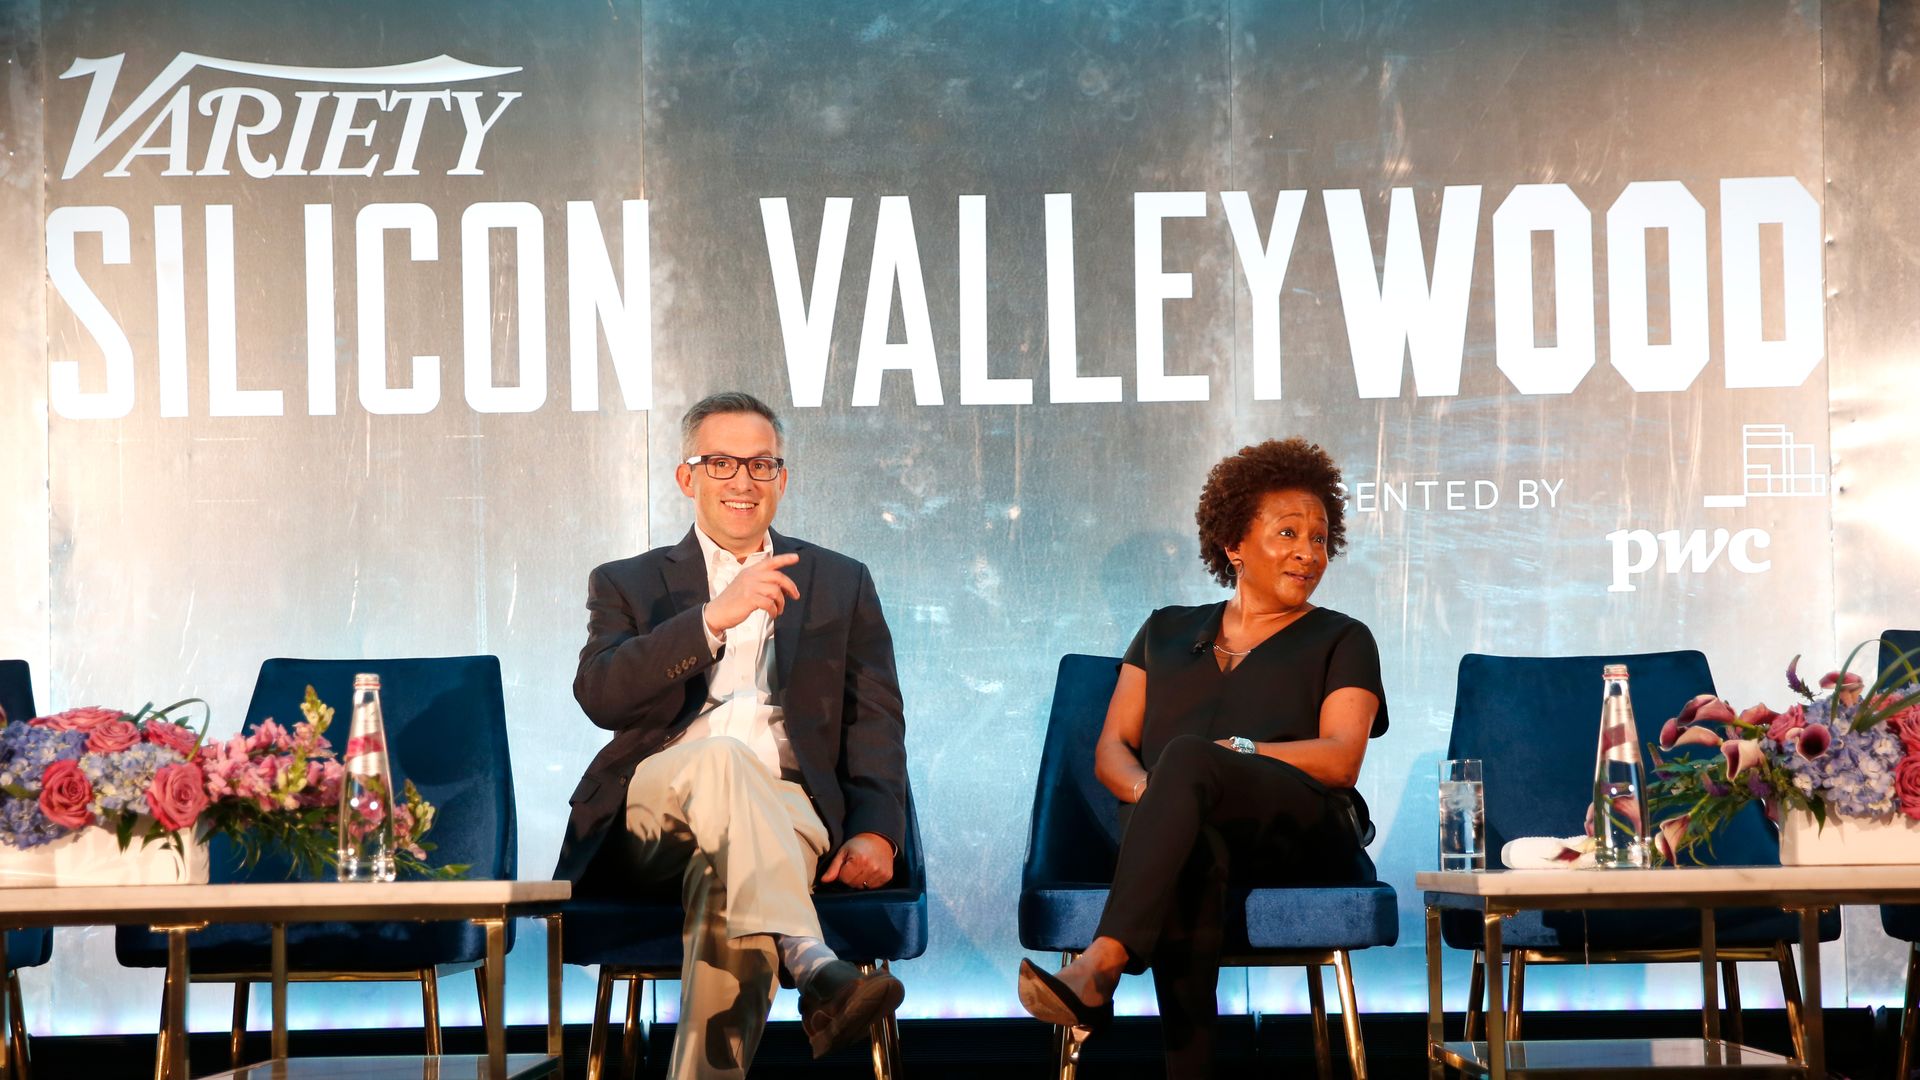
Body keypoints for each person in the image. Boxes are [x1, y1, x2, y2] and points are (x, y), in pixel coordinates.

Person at [555, 391, 909, 1078]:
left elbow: (876, 718)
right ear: (688, 478)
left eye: (760, 464)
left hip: (788, 811)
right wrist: (711, 621)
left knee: (727, 892)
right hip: (658, 809)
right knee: (719, 758)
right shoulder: (629, 582)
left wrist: (879, 830)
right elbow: (599, 696)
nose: (742, 481)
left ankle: (794, 977)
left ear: (783, 479)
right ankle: (810, 957)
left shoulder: (840, 581)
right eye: (721, 463)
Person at [1016, 437, 1389, 1077]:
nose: (1309, 552)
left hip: (1300, 830)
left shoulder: (1343, 638)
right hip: (1180, 832)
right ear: (1234, 545)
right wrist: (1165, 801)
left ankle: (1103, 961)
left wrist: (1241, 754)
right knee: (1192, 848)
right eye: (1289, 533)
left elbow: (1340, 760)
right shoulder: (1163, 630)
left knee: (1188, 759)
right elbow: (1111, 751)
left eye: (1321, 538)